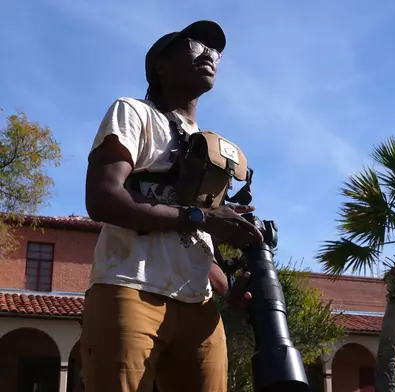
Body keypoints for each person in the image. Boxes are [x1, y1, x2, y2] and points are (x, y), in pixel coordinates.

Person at [81, 20, 264, 392]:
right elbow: (102, 197)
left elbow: (197, 240)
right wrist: (200, 216)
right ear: (161, 65)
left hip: (200, 305)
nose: (210, 55)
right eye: (195, 45)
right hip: (129, 289)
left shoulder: (210, 148)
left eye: (216, 51)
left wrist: (230, 289)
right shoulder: (133, 112)